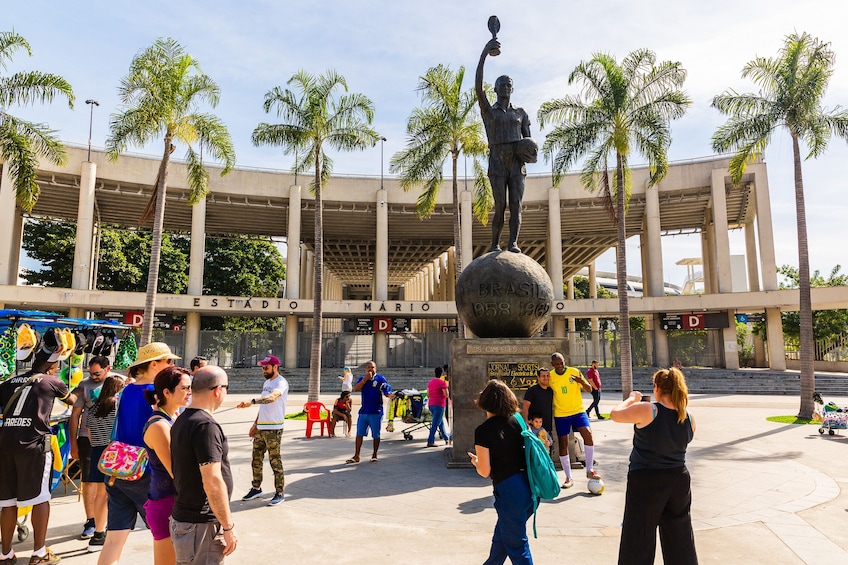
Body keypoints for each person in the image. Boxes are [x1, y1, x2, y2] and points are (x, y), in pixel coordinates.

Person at [98, 342, 180, 565]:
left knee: (114, 538)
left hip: (118, 470)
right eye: (168, 361)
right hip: (147, 472)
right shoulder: (157, 394)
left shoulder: (125, 390)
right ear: (155, 365)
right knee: (163, 537)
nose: (172, 365)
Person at [610, 367, 698, 565]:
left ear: (657, 388)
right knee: (680, 534)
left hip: (646, 480)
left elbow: (615, 414)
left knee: (638, 535)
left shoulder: (649, 409)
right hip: (679, 480)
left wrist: (632, 398)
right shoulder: (689, 417)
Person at [0, 355, 78, 565]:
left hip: (5, 445)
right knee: (40, 498)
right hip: (34, 446)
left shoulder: (10, 382)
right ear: (51, 367)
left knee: (7, 502)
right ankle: (39, 553)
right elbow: (72, 401)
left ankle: (5, 554)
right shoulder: (52, 381)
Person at [170, 365, 236, 564]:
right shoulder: (205, 426)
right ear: (217, 390)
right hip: (200, 526)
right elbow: (212, 482)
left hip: (188, 522)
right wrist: (228, 527)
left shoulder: (183, 420)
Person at [476, 35, 533, 254]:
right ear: (496, 89)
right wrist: (484, 53)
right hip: (497, 161)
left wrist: (530, 154)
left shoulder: (521, 113)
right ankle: (495, 244)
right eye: (502, 85)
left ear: (512, 89)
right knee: (500, 206)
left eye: (509, 85)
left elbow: (528, 141)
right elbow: (478, 87)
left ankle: (513, 243)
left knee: (516, 206)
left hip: (517, 163)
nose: (506, 88)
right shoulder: (489, 112)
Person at [468, 379, 534, 565]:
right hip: (530, 486)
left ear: (485, 402)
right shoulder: (518, 422)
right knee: (502, 540)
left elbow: (484, 471)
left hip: (509, 490)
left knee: (517, 546)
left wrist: (476, 462)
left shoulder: (483, 430)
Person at [69, 355, 123, 541]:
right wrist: (73, 443)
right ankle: (91, 521)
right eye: (91, 373)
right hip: (89, 440)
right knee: (90, 482)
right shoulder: (84, 385)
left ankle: (104, 522)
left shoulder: (119, 383)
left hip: (113, 442)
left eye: (97, 373)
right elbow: (75, 415)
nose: (93, 377)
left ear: (108, 368)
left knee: (110, 485)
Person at [142, 366, 193, 565]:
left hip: (176, 502)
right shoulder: (159, 425)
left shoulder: (174, 417)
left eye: (190, 387)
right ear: (166, 392)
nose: (190, 392)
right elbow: (176, 470)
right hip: (165, 505)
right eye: (184, 388)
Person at [235, 355, 288, 506]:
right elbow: (264, 405)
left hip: (274, 428)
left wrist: (251, 401)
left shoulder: (281, 382)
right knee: (256, 460)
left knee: (275, 461)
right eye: (262, 368)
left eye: (266, 367)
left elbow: (272, 398)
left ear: (275, 367)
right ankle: (256, 488)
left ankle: (279, 492)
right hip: (261, 427)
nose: (263, 370)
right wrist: (255, 424)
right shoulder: (266, 382)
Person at [86, 375, 126, 552]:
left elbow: (89, 433)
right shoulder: (117, 405)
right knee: (111, 493)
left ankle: (97, 529)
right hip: (112, 451)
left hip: (96, 451)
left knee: (100, 494)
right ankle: (103, 531)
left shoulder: (94, 407)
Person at [550, 352, 600, 488]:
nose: (560, 366)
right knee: (563, 443)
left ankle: (589, 469)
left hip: (578, 411)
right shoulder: (551, 376)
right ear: (552, 365)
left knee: (588, 435)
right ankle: (568, 478)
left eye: (562, 363)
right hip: (561, 414)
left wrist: (581, 381)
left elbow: (589, 389)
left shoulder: (574, 371)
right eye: (557, 364)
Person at [346, 361, 393, 464]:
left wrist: (389, 395)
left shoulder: (380, 379)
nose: (370, 369)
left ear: (375, 369)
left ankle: (374, 455)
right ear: (365, 369)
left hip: (376, 411)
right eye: (368, 367)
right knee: (359, 433)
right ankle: (357, 455)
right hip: (364, 411)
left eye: (372, 367)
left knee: (376, 434)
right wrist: (365, 380)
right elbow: (356, 388)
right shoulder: (362, 378)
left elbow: (386, 390)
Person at [521, 367, 553, 441]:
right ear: (538, 377)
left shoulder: (550, 391)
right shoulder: (532, 390)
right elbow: (525, 407)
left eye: (547, 376)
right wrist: (526, 422)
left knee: (547, 451)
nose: (546, 378)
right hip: (534, 428)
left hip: (546, 428)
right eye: (543, 376)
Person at [426, 366, 451, 447]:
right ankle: (430, 441)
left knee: (440, 422)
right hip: (439, 405)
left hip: (431, 404)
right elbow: (446, 394)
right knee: (435, 423)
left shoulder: (431, 382)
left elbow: (428, 393)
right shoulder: (442, 383)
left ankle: (446, 439)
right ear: (441, 373)